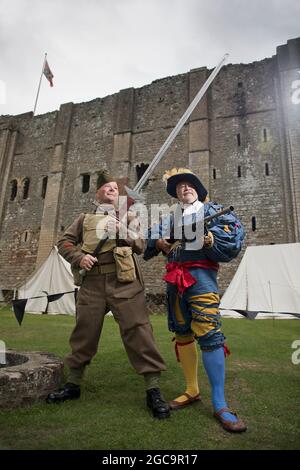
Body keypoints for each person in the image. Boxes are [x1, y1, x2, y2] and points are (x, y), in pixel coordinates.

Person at [46, 170, 170, 420]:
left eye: (116, 187)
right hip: (92, 283)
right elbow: (64, 243)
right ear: (97, 193)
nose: (113, 190)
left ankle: (153, 389)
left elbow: (141, 245)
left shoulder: (130, 216)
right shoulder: (84, 218)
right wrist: (80, 257)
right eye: (108, 187)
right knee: (84, 331)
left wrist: (123, 229)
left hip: (124, 280)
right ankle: (73, 384)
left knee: (138, 331)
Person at [144, 167, 246, 432]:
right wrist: (159, 243)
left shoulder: (213, 211)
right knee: (182, 333)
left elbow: (233, 238)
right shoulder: (170, 217)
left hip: (201, 279)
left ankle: (220, 403)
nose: (183, 189)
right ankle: (192, 389)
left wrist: (209, 238)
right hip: (173, 281)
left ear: (198, 190)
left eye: (188, 185)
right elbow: (150, 237)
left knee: (210, 335)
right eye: (179, 187)